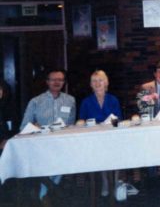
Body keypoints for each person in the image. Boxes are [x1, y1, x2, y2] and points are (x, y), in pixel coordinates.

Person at [19, 69, 76, 202]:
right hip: (41, 144)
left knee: (64, 158)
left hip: (62, 143)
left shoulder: (70, 100)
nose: (57, 82)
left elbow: (71, 125)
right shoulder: (35, 101)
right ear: (47, 82)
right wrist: (35, 127)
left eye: (60, 79)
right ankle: (51, 192)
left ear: (64, 82)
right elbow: (23, 127)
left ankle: (44, 193)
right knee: (50, 161)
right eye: (53, 79)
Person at [79, 70, 122, 197]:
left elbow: (118, 119)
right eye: (94, 81)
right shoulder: (86, 102)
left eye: (100, 80)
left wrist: (111, 124)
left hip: (111, 135)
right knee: (101, 152)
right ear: (91, 84)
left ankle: (114, 181)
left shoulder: (113, 99)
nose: (98, 83)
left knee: (115, 151)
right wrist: (80, 122)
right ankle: (105, 182)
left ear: (106, 83)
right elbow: (81, 120)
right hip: (93, 137)